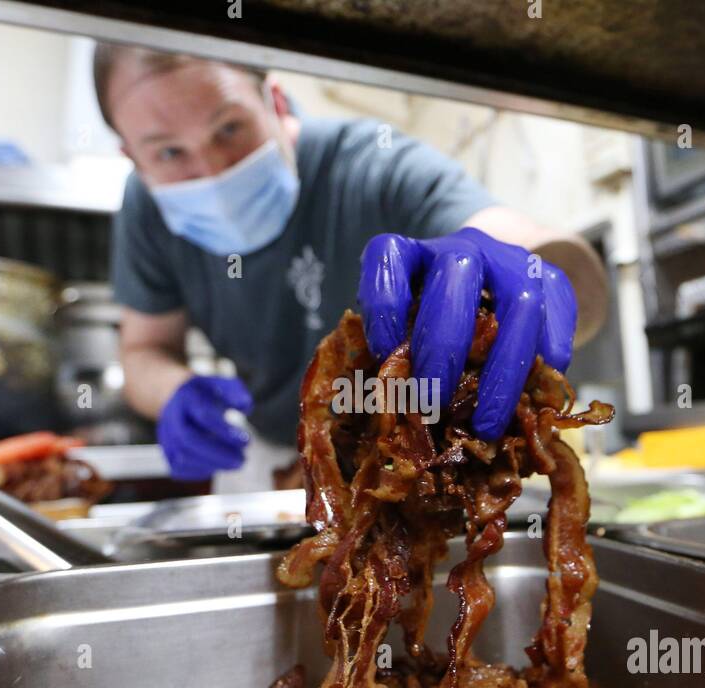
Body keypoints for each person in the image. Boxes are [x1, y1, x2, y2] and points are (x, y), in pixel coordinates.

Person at [95, 45, 608, 490]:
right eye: (168, 152)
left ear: (273, 102)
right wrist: (173, 393)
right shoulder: (146, 211)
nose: (211, 169)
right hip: (271, 455)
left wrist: (539, 276)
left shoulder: (370, 164)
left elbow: (538, 252)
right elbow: (144, 348)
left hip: (403, 457)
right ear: (132, 156)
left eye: (229, 128)